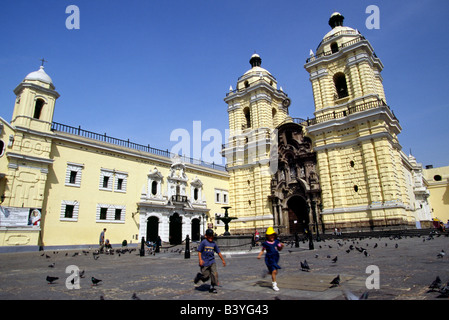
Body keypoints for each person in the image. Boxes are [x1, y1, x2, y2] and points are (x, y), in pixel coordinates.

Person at [194, 229, 226, 293]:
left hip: (212, 261)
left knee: (214, 274)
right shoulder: (204, 242)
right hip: (204, 262)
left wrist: (223, 260)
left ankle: (212, 287)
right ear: (206, 236)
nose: (211, 237)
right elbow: (199, 251)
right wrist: (200, 260)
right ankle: (199, 276)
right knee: (206, 277)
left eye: (212, 236)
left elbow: (218, 252)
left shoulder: (214, 244)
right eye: (209, 236)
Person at [257, 227, 284, 291]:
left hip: (275, 258)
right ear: (267, 236)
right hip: (269, 259)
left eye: (273, 235)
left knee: (274, 272)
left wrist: (282, 246)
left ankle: (267, 272)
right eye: (270, 235)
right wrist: (259, 255)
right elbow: (262, 250)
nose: (272, 236)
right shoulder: (266, 243)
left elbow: (279, 249)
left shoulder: (276, 242)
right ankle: (274, 285)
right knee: (274, 271)